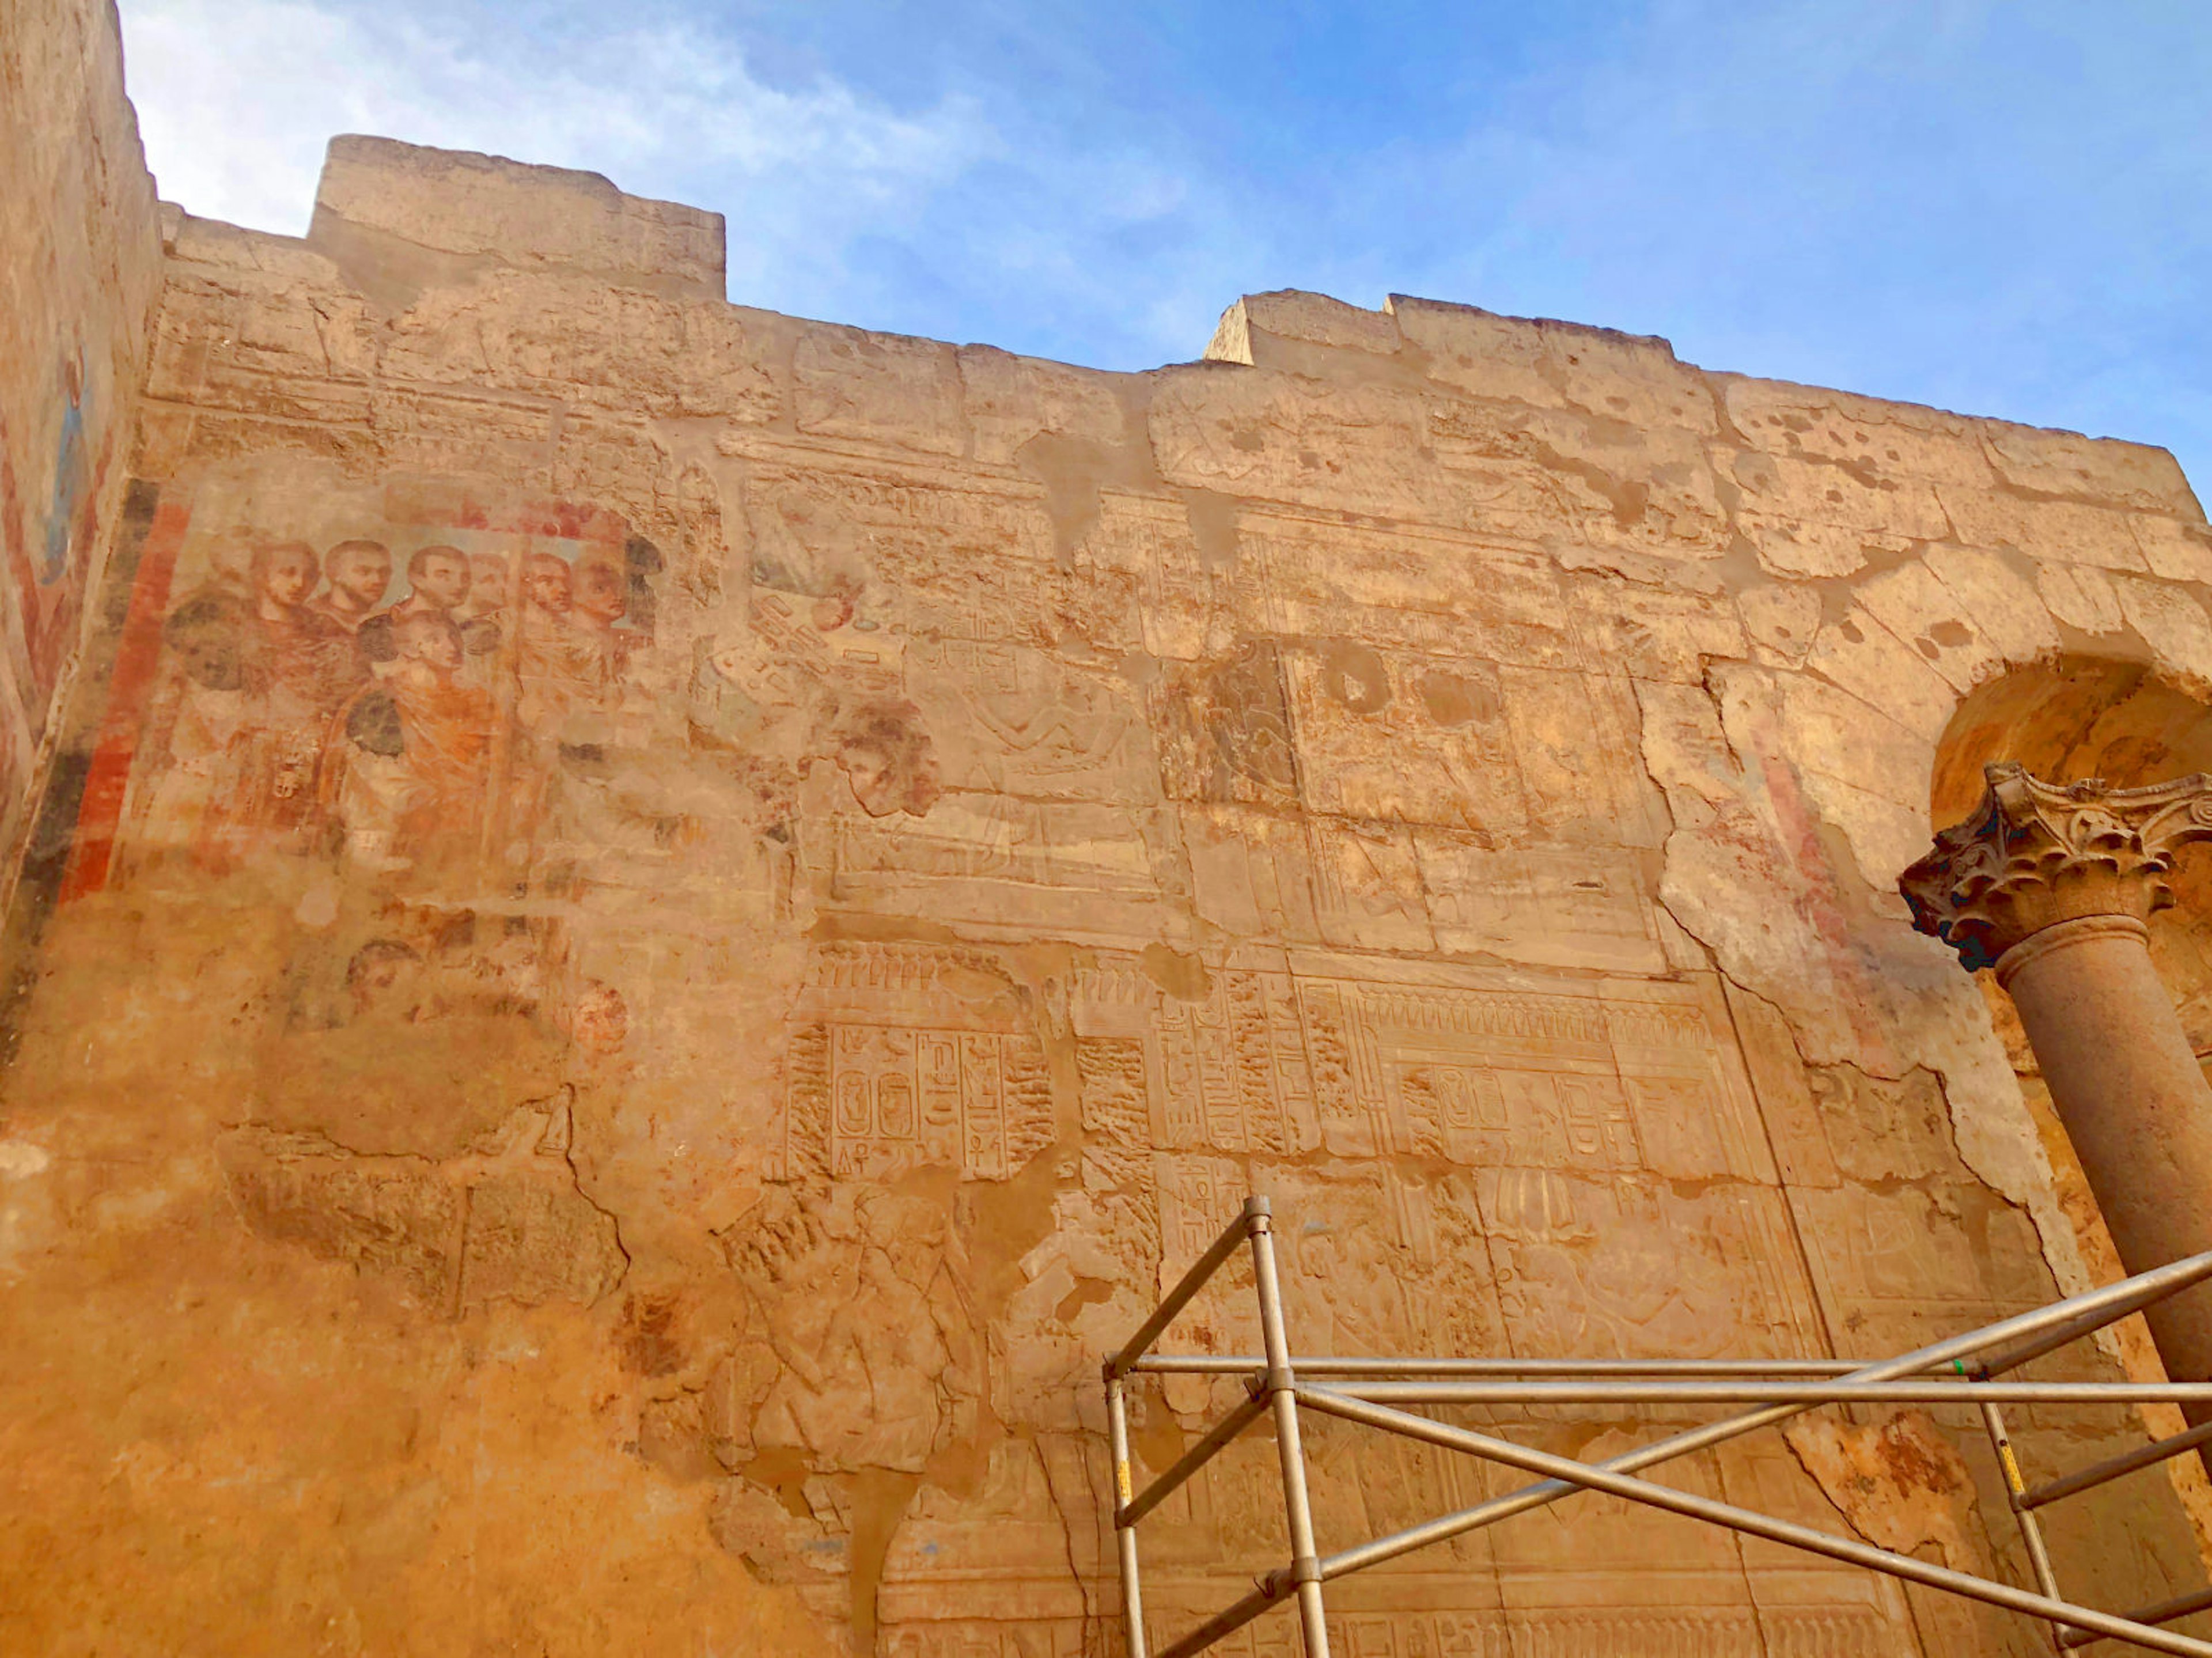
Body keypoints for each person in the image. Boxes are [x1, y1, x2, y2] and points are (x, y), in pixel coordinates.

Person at [357, 544, 472, 664]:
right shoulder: (375, 627)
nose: (459, 585)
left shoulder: (465, 626)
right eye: (443, 576)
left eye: (465, 577)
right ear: (416, 579)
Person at [310, 538, 393, 634]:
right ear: (335, 574)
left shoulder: (389, 621)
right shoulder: (308, 620)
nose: (378, 580)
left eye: (384, 572)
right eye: (364, 572)